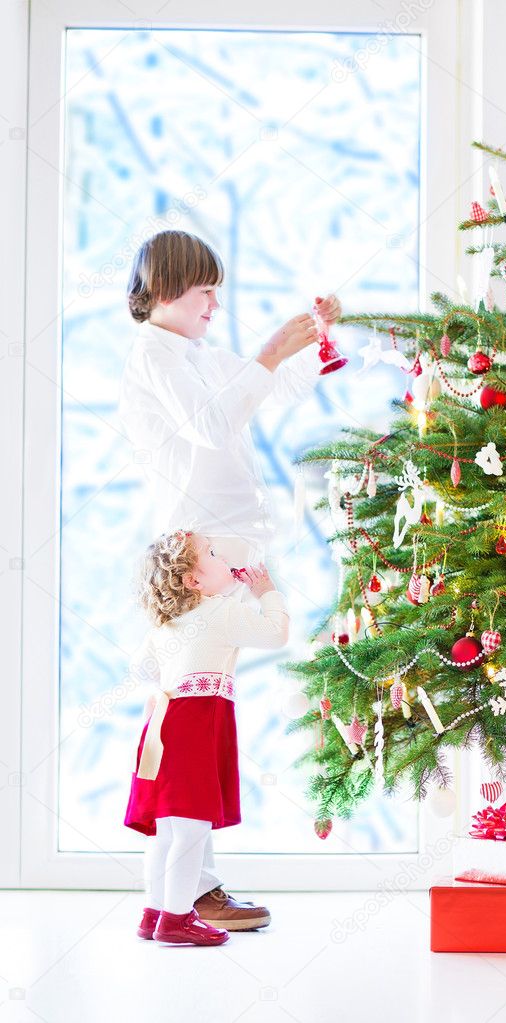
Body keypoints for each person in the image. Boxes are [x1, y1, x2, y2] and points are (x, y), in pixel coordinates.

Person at [118, 229, 341, 923]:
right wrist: (274, 350)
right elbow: (216, 424)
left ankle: (191, 886)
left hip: (220, 546)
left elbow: (256, 397)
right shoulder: (155, 355)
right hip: (200, 552)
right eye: (203, 287)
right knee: (193, 707)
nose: (217, 300)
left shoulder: (193, 355)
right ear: (162, 290)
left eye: (217, 286)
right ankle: (187, 890)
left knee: (201, 705)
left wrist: (309, 345)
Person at [124, 530, 289, 946]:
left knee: (165, 829)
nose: (223, 556)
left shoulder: (166, 623)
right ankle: (178, 920)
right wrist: (266, 591)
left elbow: (140, 669)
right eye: (212, 554)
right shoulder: (218, 612)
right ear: (193, 581)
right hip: (195, 726)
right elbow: (275, 634)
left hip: (161, 726)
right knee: (192, 830)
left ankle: (155, 912)